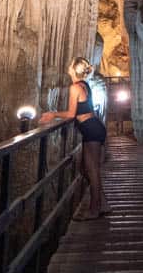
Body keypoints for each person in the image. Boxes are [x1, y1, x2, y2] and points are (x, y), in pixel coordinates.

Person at [39, 56, 110, 220]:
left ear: (75, 70)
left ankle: (94, 209)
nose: (69, 66)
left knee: (92, 171)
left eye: (71, 65)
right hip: (93, 128)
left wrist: (53, 114)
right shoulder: (84, 85)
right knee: (85, 169)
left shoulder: (75, 87)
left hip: (91, 129)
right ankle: (103, 202)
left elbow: (71, 114)